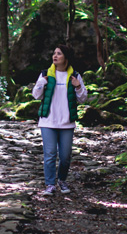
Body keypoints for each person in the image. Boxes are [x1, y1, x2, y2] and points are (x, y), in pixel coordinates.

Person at [31, 44, 88, 196]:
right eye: (54, 53)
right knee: (49, 154)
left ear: (66, 58)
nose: (55, 56)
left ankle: (62, 180)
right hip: (48, 122)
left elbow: (83, 98)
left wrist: (78, 87)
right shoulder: (45, 74)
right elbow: (36, 95)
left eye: (59, 54)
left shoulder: (75, 76)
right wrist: (42, 83)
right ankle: (50, 184)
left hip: (67, 123)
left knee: (65, 156)